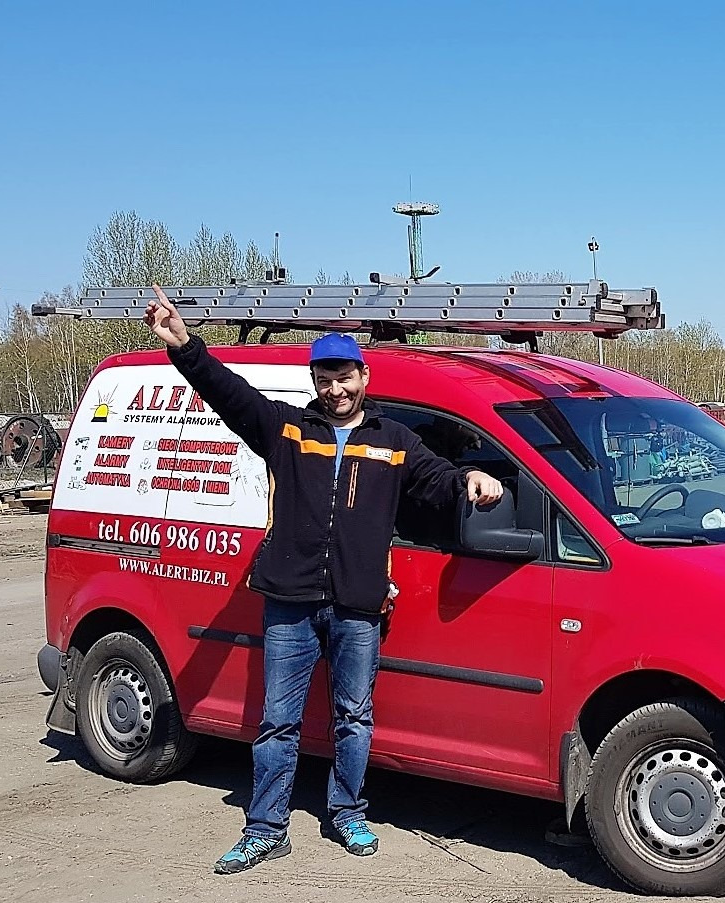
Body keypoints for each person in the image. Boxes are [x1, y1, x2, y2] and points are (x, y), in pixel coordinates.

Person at [143, 286, 504, 875]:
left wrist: (471, 480)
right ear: (313, 382)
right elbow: (228, 395)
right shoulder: (286, 431)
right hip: (290, 603)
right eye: (324, 379)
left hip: (357, 606)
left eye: (343, 377)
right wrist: (185, 346)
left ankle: (347, 812)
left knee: (354, 718)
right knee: (277, 722)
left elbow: (436, 476)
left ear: (363, 375)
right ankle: (265, 829)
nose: (334, 389)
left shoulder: (393, 440)